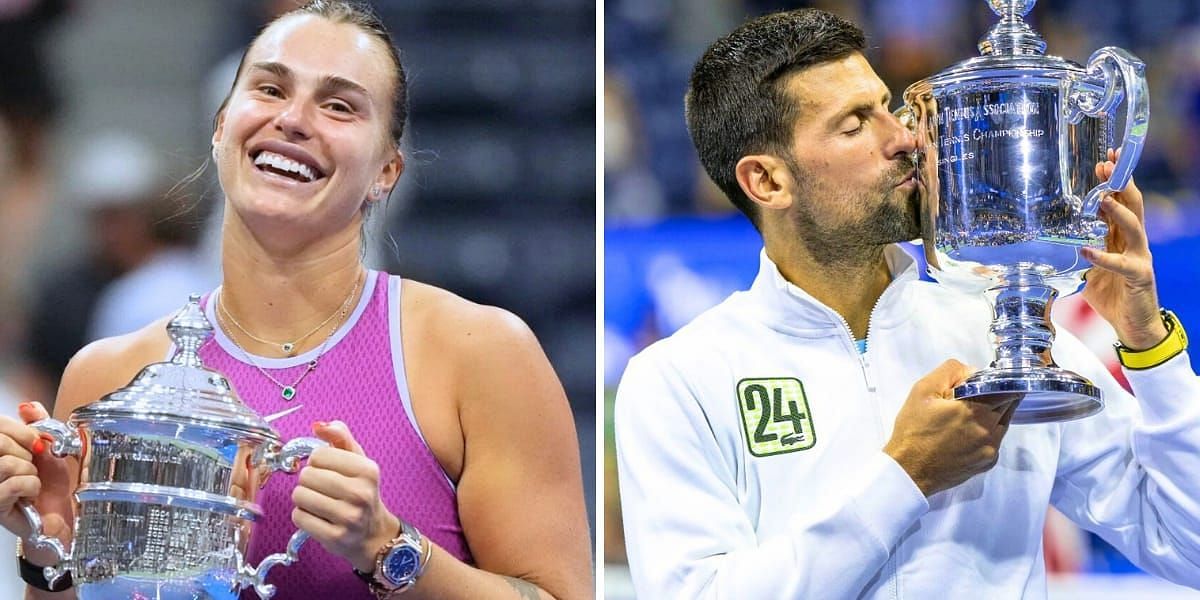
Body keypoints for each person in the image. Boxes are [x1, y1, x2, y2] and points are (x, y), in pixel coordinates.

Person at [0, 2, 592, 598]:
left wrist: (388, 547)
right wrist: (46, 548)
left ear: (387, 171)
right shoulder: (108, 375)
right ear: (220, 125)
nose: (294, 119)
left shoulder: (479, 353)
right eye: (270, 88)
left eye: (339, 105)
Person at [614, 8, 1200, 598]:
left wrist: (1149, 344)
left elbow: (1189, 548)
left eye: (887, 108)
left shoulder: (1000, 338)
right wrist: (906, 476)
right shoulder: (679, 380)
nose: (906, 138)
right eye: (853, 125)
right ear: (767, 181)